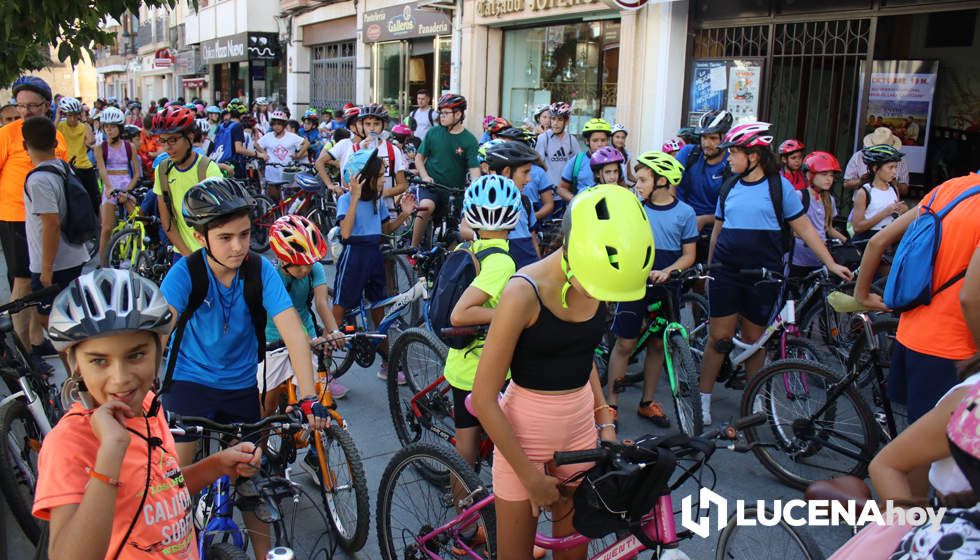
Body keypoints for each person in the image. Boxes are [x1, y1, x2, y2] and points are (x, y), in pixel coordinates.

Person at [33, 269, 261, 560]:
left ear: (158, 349)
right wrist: (110, 454)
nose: (120, 379)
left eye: (136, 355)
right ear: (75, 362)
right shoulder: (69, 443)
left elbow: (163, 491)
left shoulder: (149, 405)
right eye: (99, 361)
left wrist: (217, 465)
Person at [471, 184, 646, 560]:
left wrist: (606, 422)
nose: (604, 296)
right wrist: (531, 478)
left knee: (572, 554)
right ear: (573, 248)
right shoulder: (523, 292)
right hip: (523, 440)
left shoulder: (600, 276)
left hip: (580, 431)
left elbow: (584, 360)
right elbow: (485, 399)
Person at [161, 178, 327, 560]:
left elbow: (295, 334)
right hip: (189, 383)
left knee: (251, 479)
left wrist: (307, 397)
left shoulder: (260, 271)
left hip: (239, 385)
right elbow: (157, 336)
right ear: (202, 238)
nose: (238, 246)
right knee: (175, 486)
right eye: (225, 237)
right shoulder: (185, 274)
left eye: (244, 234)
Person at [699, 122, 852, 426]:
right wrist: (710, 269)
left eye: (735, 152)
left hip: (764, 275)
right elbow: (718, 231)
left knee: (755, 340)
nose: (729, 158)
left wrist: (830, 262)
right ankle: (702, 399)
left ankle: (754, 399)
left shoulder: (779, 187)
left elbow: (805, 228)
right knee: (720, 337)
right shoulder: (729, 186)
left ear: (753, 156)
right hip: (726, 272)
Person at [854, 170, 980, 423]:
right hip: (955, 350)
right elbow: (970, 298)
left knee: (918, 436)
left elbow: (877, 241)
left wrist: (862, 293)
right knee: (934, 453)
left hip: (911, 334)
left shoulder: (950, 188)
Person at [606, 151, 696, 425]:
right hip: (634, 286)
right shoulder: (634, 208)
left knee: (658, 345)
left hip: (666, 288)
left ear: (662, 182)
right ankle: (610, 405)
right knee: (625, 343)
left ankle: (646, 402)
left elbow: (689, 254)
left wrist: (668, 272)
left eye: (644, 179)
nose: (638, 184)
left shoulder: (685, 213)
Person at [445, 175, 520, 472]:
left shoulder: (470, 247)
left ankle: (462, 511)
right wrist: (509, 313)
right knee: (474, 447)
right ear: (514, 216)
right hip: (482, 367)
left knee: (465, 444)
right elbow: (460, 314)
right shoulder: (502, 262)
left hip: (461, 362)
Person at [0, 76, 68, 371]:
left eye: (32, 105)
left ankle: (37, 339)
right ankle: (23, 350)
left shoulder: (57, 135)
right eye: (21, 105)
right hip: (14, 217)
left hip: (47, 218)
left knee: (43, 279)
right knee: (23, 282)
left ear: (47, 105)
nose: (26, 111)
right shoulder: (8, 134)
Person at [333, 148, 416, 383]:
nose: (384, 181)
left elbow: (384, 230)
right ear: (362, 178)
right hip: (354, 257)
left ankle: (387, 362)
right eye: (379, 176)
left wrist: (404, 214)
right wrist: (356, 197)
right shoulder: (346, 199)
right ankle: (325, 364)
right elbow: (346, 233)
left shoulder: (378, 201)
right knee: (338, 311)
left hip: (374, 256)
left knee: (380, 310)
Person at [262, 215, 347, 429]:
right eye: (299, 266)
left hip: (307, 330)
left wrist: (333, 331)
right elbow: (287, 316)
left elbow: (320, 303)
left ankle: (316, 447)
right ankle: (261, 447)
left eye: (309, 264)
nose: (305, 270)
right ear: (282, 259)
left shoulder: (313, 269)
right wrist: (309, 339)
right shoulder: (273, 277)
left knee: (318, 391)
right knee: (267, 406)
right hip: (274, 339)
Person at [21, 116, 89, 325]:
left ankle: (73, 359)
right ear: (55, 143)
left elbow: (51, 224)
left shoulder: (38, 179)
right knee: (69, 318)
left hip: (55, 263)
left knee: (50, 321)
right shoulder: (62, 166)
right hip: (74, 254)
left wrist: (46, 269)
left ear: (25, 145)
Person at [150, 106, 223, 258]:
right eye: (163, 141)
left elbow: (221, 222)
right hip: (182, 253)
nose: (167, 148)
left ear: (190, 137)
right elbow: (167, 222)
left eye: (173, 140)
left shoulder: (208, 170)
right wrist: (187, 255)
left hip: (211, 254)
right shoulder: (162, 170)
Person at [411, 93, 481, 248]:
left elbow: (474, 169)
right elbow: (419, 158)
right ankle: (413, 248)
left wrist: (476, 188)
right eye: (440, 112)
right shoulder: (433, 133)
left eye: (446, 113)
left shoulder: (469, 140)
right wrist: (424, 176)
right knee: (426, 207)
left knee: (455, 229)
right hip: (431, 186)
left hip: (454, 192)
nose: (441, 116)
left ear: (459, 114)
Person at [477, 140, 542, 269]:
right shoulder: (481, 200)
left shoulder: (525, 201)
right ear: (507, 172)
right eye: (525, 172)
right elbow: (465, 228)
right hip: (500, 269)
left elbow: (533, 240)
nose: (529, 179)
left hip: (527, 271)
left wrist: (539, 267)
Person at [94, 106, 141, 265]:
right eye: (106, 126)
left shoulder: (130, 147)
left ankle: (141, 256)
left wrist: (127, 191)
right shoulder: (100, 147)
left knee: (139, 221)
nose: (109, 130)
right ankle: (102, 264)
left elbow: (136, 173)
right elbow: (102, 169)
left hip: (125, 186)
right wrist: (109, 188)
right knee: (106, 228)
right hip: (110, 187)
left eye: (112, 126)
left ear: (120, 128)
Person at [791, 151, 848, 278]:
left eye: (832, 175)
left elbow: (828, 228)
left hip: (820, 258)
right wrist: (815, 240)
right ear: (809, 175)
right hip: (799, 258)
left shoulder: (830, 200)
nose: (829, 179)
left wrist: (847, 241)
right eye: (824, 174)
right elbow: (791, 230)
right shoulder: (799, 196)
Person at [675, 109, 733, 234]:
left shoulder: (731, 163)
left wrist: (705, 220)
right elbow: (670, 183)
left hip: (715, 230)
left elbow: (734, 209)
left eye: (713, 138)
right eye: (704, 137)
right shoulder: (689, 153)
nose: (707, 143)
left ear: (725, 138)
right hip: (682, 225)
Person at [849, 144, 907, 243]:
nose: (894, 172)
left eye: (895, 167)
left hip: (888, 239)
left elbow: (896, 212)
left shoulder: (893, 188)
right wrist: (885, 212)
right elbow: (857, 227)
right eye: (890, 167)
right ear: (875, 168)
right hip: (868, 241)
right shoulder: (864, 192)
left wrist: (903, 210)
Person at [56, 97, 100, 213]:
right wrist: (57, 117)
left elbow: (91, 141)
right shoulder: (60, 126)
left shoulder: (82, 126)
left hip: (85, 165)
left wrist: (84, 120)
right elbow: (50, 135)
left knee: (94, 198)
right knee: (73, 200)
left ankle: (95, 223)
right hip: (68, 167)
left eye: (75, 115)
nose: (72, 119)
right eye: (69, 115)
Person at [256, 110, 307, 201]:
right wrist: (262, 153)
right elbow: (256, 144)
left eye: (279, 124)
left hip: (288, 173)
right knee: (274, 201)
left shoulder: (292, 136)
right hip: (272, 173)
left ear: (284, 124)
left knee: (290, 200)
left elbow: (306, 143)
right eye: (274, 124)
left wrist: (298, 155)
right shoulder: (268, 136)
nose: (277, 126)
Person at [844, 127, 910, 196]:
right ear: (874, 168)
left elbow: (904, 190)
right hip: (864, 203)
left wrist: (894, 184)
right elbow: (846, 184)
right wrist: (861, 181)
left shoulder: (900, 159)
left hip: (890, 203)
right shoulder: (858, 156)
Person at [557, 118, 611, 204]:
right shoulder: (577, 161)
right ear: (587, 141)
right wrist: (575, 200)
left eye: (603, 140)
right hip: (583, 209)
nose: (600, 144)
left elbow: (623, 187)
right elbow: (561, 188)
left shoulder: (614, 162)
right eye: (595, 140)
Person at [535, 102, 578, 196]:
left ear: (566, 121)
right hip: (548, 192)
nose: (555, 123)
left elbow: (578, 165)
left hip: (566, 192)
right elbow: (538, 166)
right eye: (553, 119)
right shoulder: (543, 138)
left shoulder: (572, 140)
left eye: (560, 119)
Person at [211, 98, 249, 179]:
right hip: (233, 165)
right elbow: (239, 149)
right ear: (242, 115)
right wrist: (257, 154)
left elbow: (213, 142)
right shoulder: (238, 126)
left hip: (219, 162)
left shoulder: (220, 126)